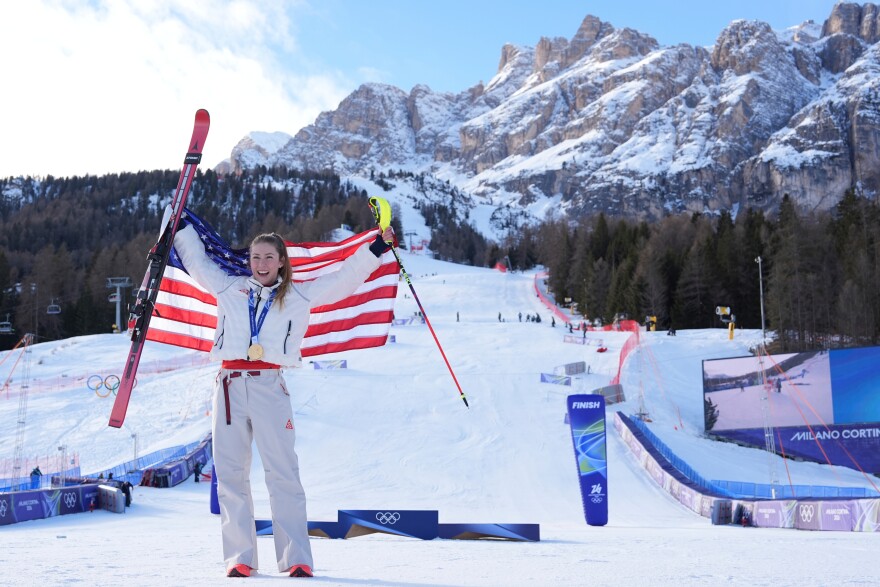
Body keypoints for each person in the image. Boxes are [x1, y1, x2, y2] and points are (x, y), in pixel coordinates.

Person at [174, 209, 394, 579]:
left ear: (281, 262)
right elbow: (195, 262)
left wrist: (376, 247)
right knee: (230, 475)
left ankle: (296, 558)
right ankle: (239, 557)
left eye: (268, 257)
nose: (260, 264)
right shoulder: (229, 287)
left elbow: (343, 280)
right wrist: (178, 224)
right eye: (255, 257)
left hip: (269, 387)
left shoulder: (297, 296)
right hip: (228, 387)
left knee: (283, 475)